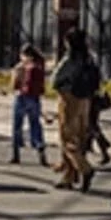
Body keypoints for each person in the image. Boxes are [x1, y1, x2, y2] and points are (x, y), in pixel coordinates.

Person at [52, 28, 101, 192]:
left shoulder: (69, 60)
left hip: (69, 99)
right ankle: (69, 176)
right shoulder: (89, 59)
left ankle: (85, 169)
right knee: (80, 139)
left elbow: (55, 80)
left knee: (67, 140)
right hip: (85, 100)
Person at [10, 43, 49, 166]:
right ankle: (39, 146)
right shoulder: (39, 66)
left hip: (21, 97)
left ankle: (16, 154)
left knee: (17, 126)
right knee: (35, 124)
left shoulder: (21, 67)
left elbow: (14, 85)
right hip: (35, 99)